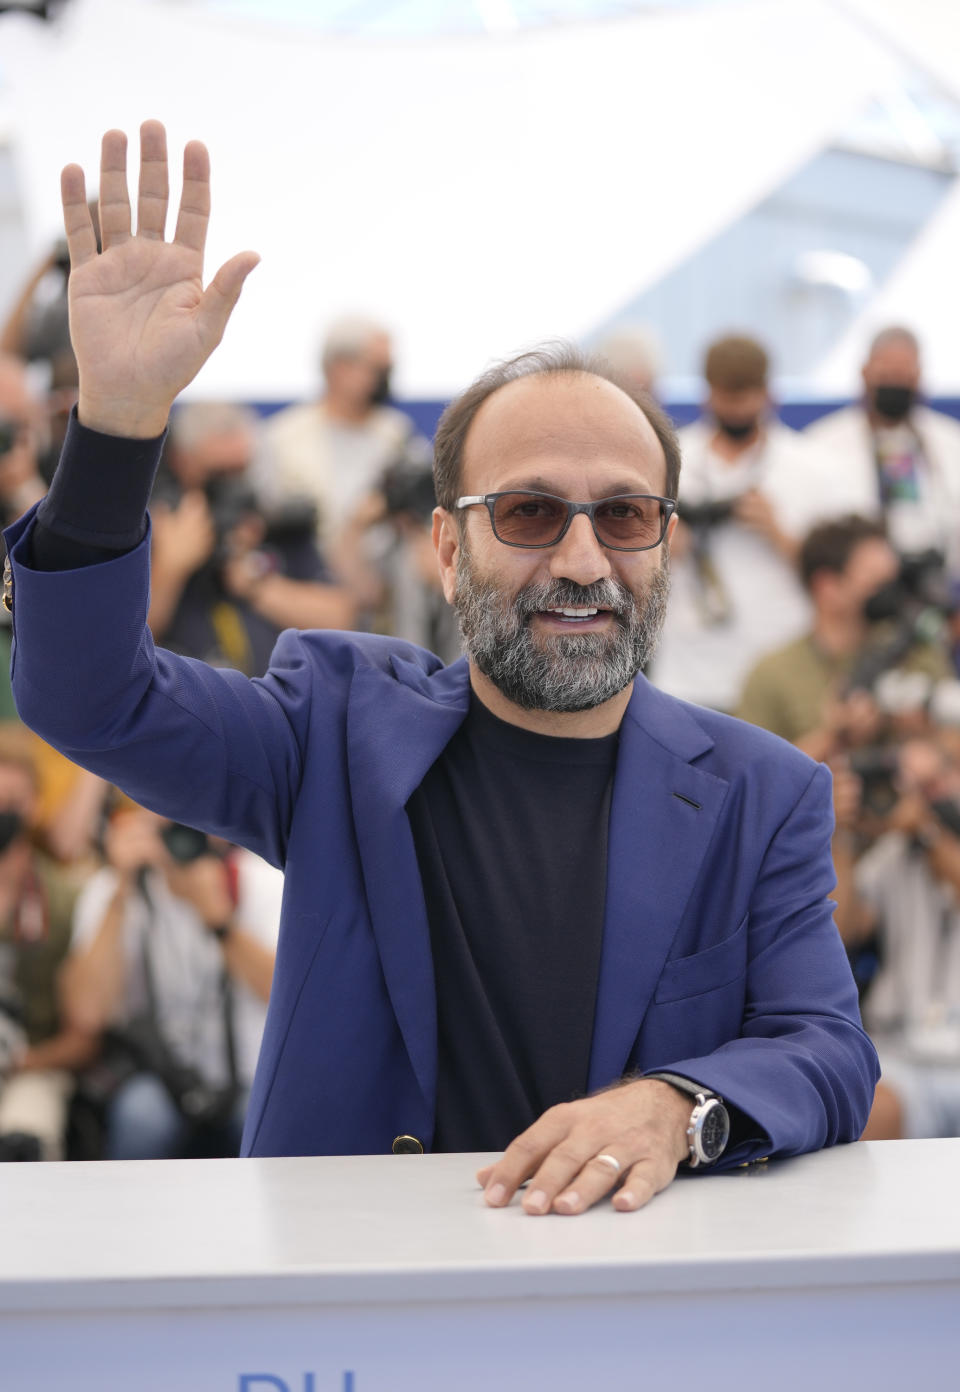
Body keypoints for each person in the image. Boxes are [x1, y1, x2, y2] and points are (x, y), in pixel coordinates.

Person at [4, 123, 877, 1215]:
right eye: (528, 511)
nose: (580, 557)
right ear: (447, 548)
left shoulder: (765, 792)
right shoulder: (332, 725)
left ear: (665, 542)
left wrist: (674, 1105)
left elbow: (828, 1053)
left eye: (623, 515)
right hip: (353, 1325)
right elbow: (90, 696)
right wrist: (119, 425)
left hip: (636, 1324)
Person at [650, 334, 862, 712]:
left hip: (783, 677)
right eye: (726, 397)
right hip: (689, 673)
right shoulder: (670, 460)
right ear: (708, 393)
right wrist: (665, 546)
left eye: (745, 396)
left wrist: (778, 533)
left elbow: (844, 580)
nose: (735, 409)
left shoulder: (813, 468)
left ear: (768, 393)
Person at [62, 808, 280, 1159]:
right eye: (171, 821)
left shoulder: (262, 880)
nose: (184, 836)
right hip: (162, 1077)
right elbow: (88, 1013)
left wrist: (218, 920)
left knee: (268, 1120)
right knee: (140, 1120)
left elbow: (288, 996)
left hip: (252, 1076)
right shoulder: (114, 889)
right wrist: (120, 893)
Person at [148, 400, 355, 675]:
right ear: (183, 462)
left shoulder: (271, 525)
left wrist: (256, 584)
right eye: (219, 474)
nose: (232, 487)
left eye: (241, 471)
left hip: (274, 701)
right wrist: (171, 568)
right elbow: (124, 642)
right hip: (189, 701)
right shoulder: (158, 526)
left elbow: (340, 617)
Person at [0, 731, 95, 1160]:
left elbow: (83, 1039)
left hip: (35, 1065)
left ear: (35, 805)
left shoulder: (64, 898)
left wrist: (20, 1063)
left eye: (11, 805)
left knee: (24, 1140)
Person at [255, 314, 423, 550]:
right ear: (340, 369)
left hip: (385, 577)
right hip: (308, 575)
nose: (385, 380)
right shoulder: (283, 437)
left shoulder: (398, 433)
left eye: (389, 369)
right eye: (378, 369)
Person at [804, 326, 960, 573]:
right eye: (886, 375)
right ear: (865, 374)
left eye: (903, 376)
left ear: (918, 377)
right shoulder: (821, 442)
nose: (894, 384)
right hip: (857, 587)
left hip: (936, 581)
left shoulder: (951, 441)